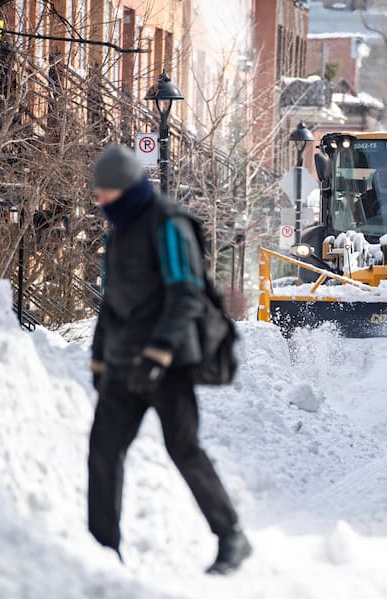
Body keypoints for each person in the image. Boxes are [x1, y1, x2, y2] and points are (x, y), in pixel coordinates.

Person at [88, 144, 250, 575]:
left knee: (183, 448)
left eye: (105, 192)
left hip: (168, 363)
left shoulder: (168, 223)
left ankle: (231, 535)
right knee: (103, 450)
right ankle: (102, 550)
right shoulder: (120, 231)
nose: (99, 201)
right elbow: (112, 302)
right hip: (124, 361)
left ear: (124, 189)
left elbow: (186, 294)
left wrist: (159, 352)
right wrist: (100, 357)